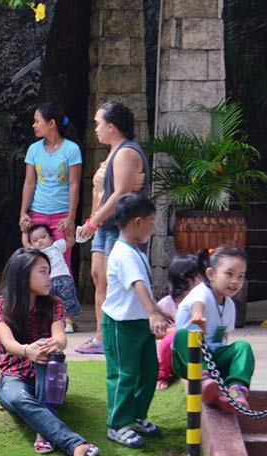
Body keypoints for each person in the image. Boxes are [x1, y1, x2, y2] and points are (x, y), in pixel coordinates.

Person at [0, 248, 99, 456]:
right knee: (18, 398)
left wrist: (51, 344)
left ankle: (53, 436)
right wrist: (28, 350)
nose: (50, 278)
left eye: (49, 271)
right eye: (43, 272)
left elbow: (60, 337)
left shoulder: (54, 303)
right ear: (23, 275)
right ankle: (77, 444)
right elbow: (8, 343)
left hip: (49, 375)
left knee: (47, 353)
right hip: (12, 376)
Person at [76, 102, 149, 354]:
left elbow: (120, 193)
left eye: (98, 123)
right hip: (103, 225)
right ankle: (101, 337)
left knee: (112, 282)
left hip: (118, 226)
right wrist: (93, 222)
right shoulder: (114, 152)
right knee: (99, 279)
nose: (95, 128)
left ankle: (115, 336)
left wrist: (93, 221)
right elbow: (104, 191)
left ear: (112, 126)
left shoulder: (127, 153)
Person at [101, 195, 172, 448]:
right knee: (124, 374)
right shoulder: (123, 253)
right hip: (121, 325)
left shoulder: (134, 250)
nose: (152, 227)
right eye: (151, 222)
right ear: (138, 222)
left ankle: (137, 416)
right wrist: (153, 313)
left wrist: (156, 311)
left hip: (138, 322)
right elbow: (138, 284)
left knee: (149, 371)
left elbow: (144, 289)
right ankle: (118, 424)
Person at [172, 247, 254, 414]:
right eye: (229, 274)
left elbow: (223, 336)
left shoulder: (229, 305)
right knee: (182, 335)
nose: (235, 282)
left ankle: (236, 390)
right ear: (211, 274)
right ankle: (204, 380)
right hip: (190, 361)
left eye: (241, 276)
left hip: (213, 360)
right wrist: (198, 317)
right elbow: (198, 304)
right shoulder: (202, 292)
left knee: (242, 346)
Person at [19, 102, 82, 273]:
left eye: (37, 121)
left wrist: (71, 216)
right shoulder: (33, 150)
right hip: (37, 213)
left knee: (62, 262)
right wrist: (23, 212)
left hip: (62, 215)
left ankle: (62, 299)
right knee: (35, 263)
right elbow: (29, 183)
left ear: (51, 123)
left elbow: (74, 184)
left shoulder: (72, 149)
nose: (34, 125)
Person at [22, 224, 81, 333]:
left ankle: (68, 322)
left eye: (43, 237)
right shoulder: (36, 253)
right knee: (48, 304)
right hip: (47, 283)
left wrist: (68, 233)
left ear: (51, 238)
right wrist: (25, 232)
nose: (40, 241)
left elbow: (70, 242)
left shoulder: (56, 246)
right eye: (35, 240)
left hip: (64, 280)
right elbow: (25, 245)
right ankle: (53, 323)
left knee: (68, 301)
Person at [155, 255, 201, 390]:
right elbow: (156, 333)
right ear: (184, 280)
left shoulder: (203, 303)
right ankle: (162, 374)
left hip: (196, 354)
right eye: (198, 276)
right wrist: (178, 331)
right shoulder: (167, 304)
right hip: (171, 357)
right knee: (174, 337)